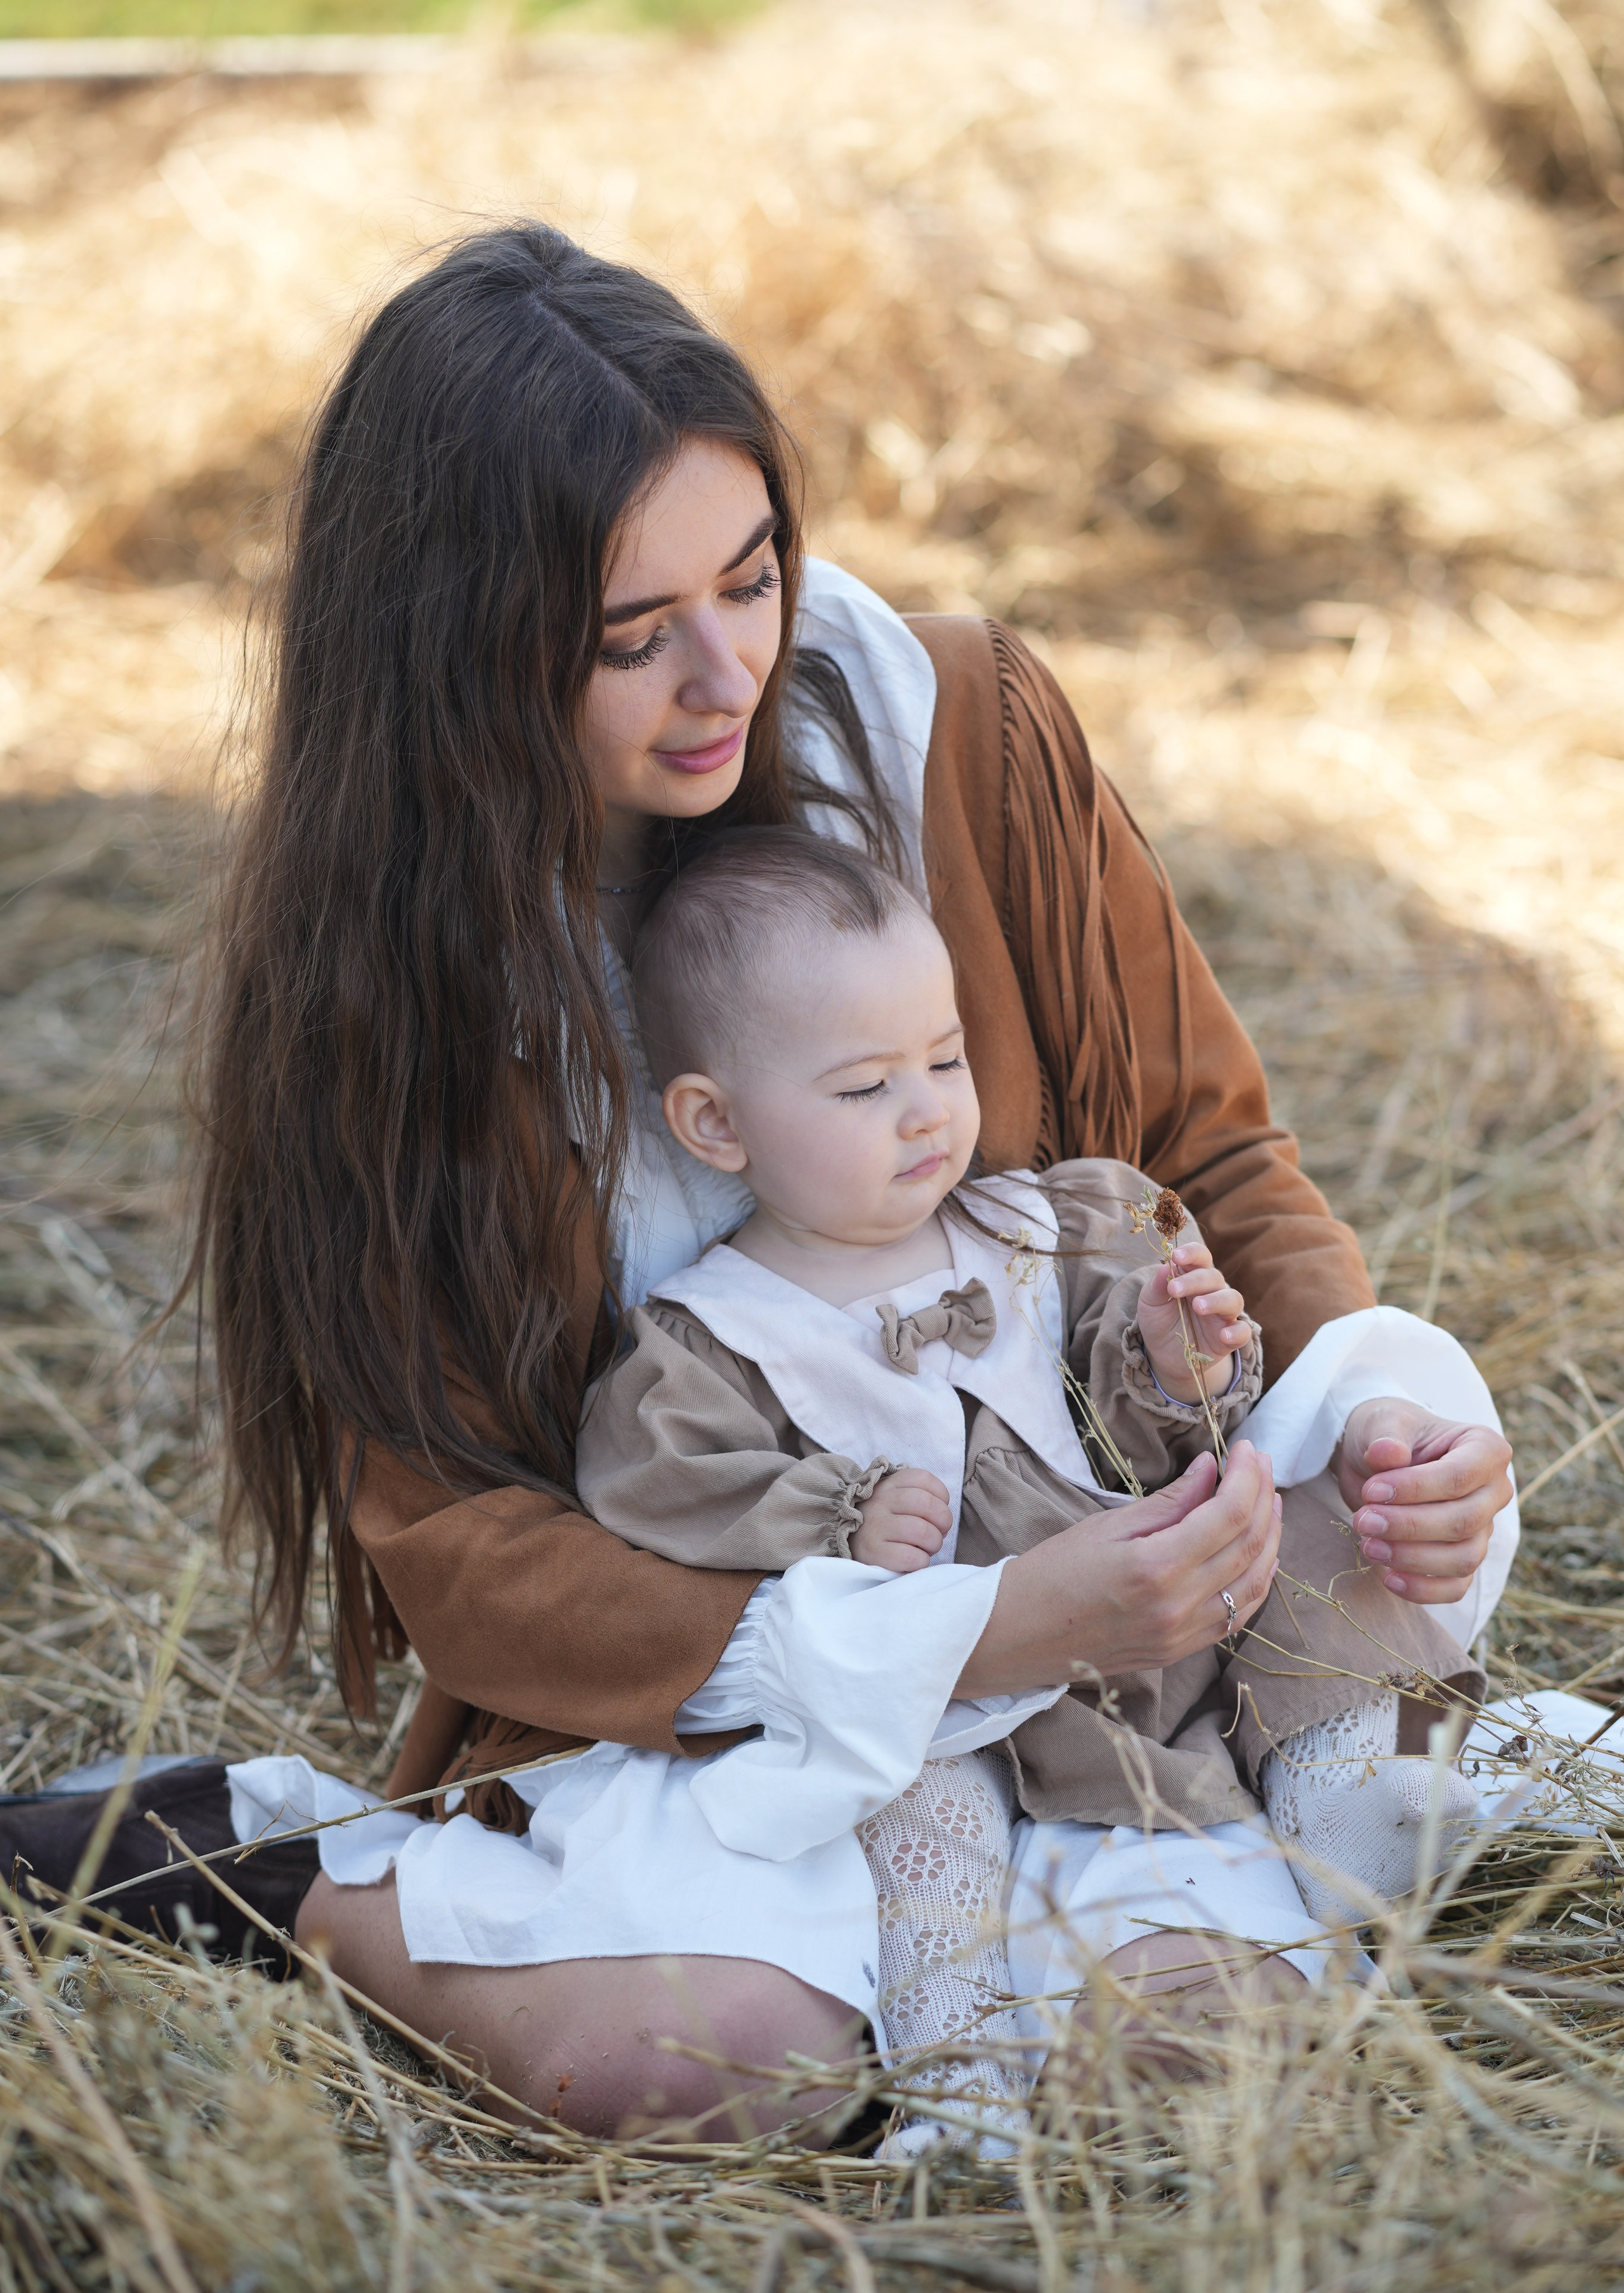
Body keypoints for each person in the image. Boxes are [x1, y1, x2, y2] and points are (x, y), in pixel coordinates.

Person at [0, 223, 1516, 2142]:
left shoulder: (957, 726)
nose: (725, 676)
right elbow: (467, 1555)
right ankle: (304, 1871)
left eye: (753, 579)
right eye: (631, 638)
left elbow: (1211, 1155)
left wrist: (1373, 1418)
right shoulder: (392, 984)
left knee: (1242, 2032)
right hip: (738, 1688)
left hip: (1128, 1639)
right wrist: (970, 1629)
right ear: (461, 653)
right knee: (696, 2066)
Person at [566, 825, 1485, 2143]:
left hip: (1174, 1618)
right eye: (861, 1087)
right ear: (714, 1124)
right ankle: (956, 2062)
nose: (929, 1108)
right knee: (916, 1796)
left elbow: (1145, 1434)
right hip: (978, 1705)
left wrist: (1174, 1366)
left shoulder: (1044, 1224)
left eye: (942, 1058)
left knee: (1304, 1528)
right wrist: (831, 1516)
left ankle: (1388, 1802)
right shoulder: (713, 1337)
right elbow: (654, 1489)